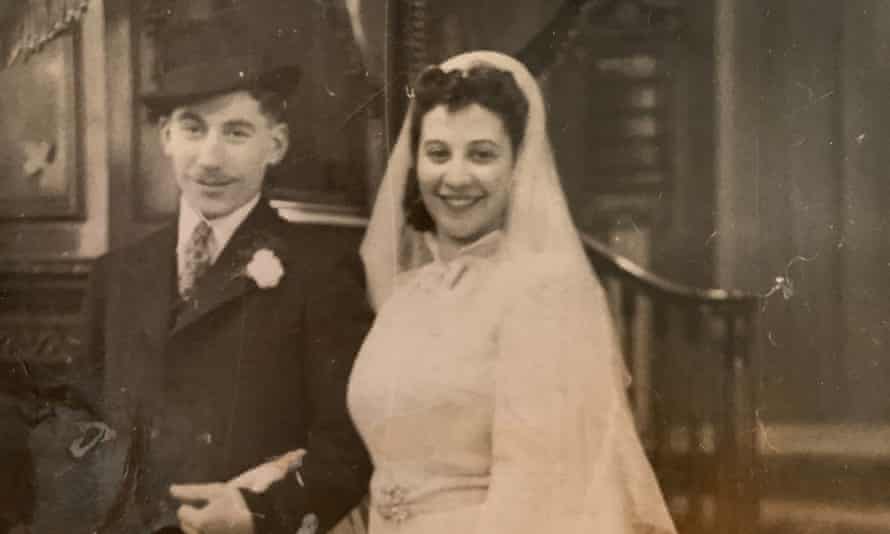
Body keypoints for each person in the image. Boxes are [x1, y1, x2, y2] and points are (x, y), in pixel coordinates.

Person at [348, 50, 676, 533]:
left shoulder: (543, 294)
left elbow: (536, 490)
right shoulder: (408, 292)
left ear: (518, 165)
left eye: (481, 154)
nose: (455, 177)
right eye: (438, 153)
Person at [77, 6, 372, 533]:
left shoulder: (320, 271)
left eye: (236, 133)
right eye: (193, 129)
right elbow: (79, 434)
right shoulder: (115, 277)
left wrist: (260, 512)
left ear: (275, 144)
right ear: (166, 137)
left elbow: (347, 447)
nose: (210, 158)